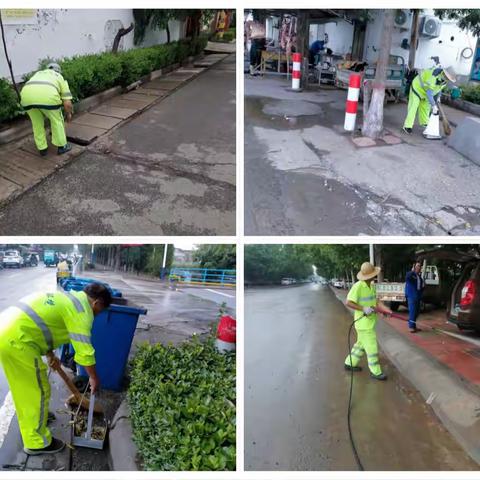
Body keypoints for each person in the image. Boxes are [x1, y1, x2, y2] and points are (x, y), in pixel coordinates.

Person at [0, 283, 111, 455]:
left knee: (25, 389)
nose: (97, 315)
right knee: (38, 390)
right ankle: (37, 442)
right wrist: (94, 378)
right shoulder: (82, 311)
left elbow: (43, 324)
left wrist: (50, 353)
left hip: (9, 331)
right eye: (100, 311)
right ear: (96, 303)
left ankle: (37, 419)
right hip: (18, 340)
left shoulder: (69, 299)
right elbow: (85, 352)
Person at [344, 262, 392, 381]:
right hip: (363, 324)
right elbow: (348, 302)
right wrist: (363, 308)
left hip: (369, 322)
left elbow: (376, 301)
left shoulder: (371, 285)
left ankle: (349, 363)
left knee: (360, 345)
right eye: (373, 274)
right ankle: (375, 372)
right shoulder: (358, 286)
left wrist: (385, 310)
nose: (374, 276)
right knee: (372, 348)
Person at [20, 63, 73, 157]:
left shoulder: (38, 74)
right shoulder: (59, 76)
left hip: (26, 97)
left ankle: (42, 148)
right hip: (48, 98)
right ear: (58, 71)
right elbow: (67, 103)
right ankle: (62, 147)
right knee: (57, 120)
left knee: (37, 123)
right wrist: (68, 114)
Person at [403, 66, 457, 134]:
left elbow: (438, 88)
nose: (447, 79)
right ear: (444, 73)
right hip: (418, 88)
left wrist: (438, 97)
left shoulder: (445, 81)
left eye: (449, 79)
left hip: (426, 92)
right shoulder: (434, 75)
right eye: (447, 77)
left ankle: (424, 123)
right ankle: (407, 126)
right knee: (413, 106)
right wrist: (434, 105)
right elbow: (429, 93)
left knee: (425, 107)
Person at [405, 262, 425, 333]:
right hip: (411, 297)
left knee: (417, 312)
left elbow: (421, 287)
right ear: (414, 267)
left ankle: (413, 326)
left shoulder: (419, 277)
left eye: (420, 266)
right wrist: (412, 271)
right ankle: (411, 327)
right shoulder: (411, 275)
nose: (419, 267)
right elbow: (407, 277)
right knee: (412, 311)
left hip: (418, 297)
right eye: (418, 266)